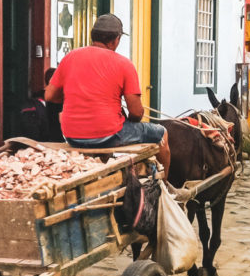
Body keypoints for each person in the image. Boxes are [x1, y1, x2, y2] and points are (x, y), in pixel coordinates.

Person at [45, 13, 171, 175]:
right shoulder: (124, 64)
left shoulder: (70, 57)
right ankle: (165, 186)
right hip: (109, 135)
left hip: (71, 135)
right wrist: (130, 125)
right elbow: (136, 112)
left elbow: (50, 96)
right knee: (162, 133)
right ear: (115, 40)